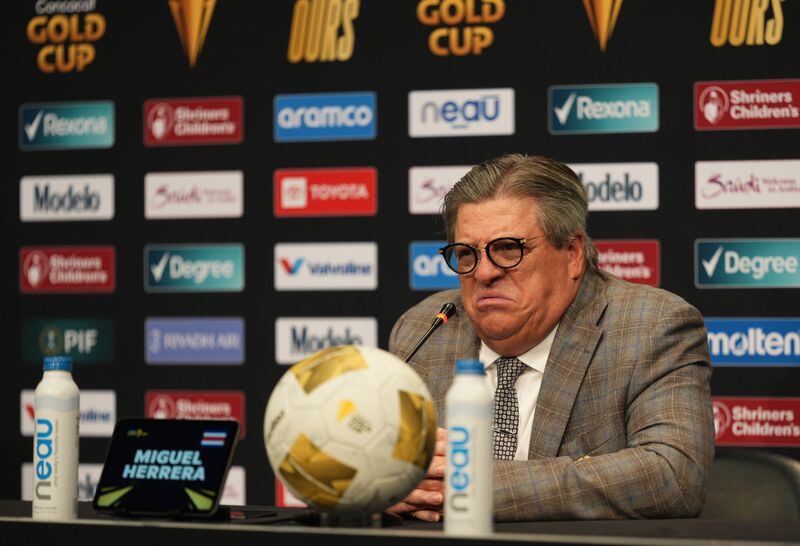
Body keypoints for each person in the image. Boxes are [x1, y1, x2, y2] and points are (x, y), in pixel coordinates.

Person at [388, 154, 715, 522]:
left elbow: (672, 476)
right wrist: (380, 487)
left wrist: (472, 485)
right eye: (466, 254)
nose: (484, 273)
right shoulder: (425, 329)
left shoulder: (650, 327)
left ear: (572, 253)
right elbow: (376, 462)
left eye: (508, 249)